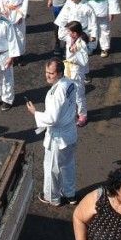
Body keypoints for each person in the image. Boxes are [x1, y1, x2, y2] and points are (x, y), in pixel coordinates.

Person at [27, 59, 78, 207]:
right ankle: (70, 194)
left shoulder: (56, 92)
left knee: (52, 168)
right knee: (68, 165)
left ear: (60, 73)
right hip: (70, 133)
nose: (48, 76)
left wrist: (35, 112)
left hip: (58, 137)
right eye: (46, 72)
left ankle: (52, 197)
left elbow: (52, 119)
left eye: (51, 73)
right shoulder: (69, 83)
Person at [63, 21, 90, 126]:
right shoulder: (70, 39)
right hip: (68, 70)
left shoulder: (81, 44)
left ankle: (82, 115)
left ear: (74, 33)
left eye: (69, 31)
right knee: (69, 94)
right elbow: (61, 34)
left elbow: (84, 62)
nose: (67, 33)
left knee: (79, 95)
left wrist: (77, 51)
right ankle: (72, 113)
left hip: (76, 72)